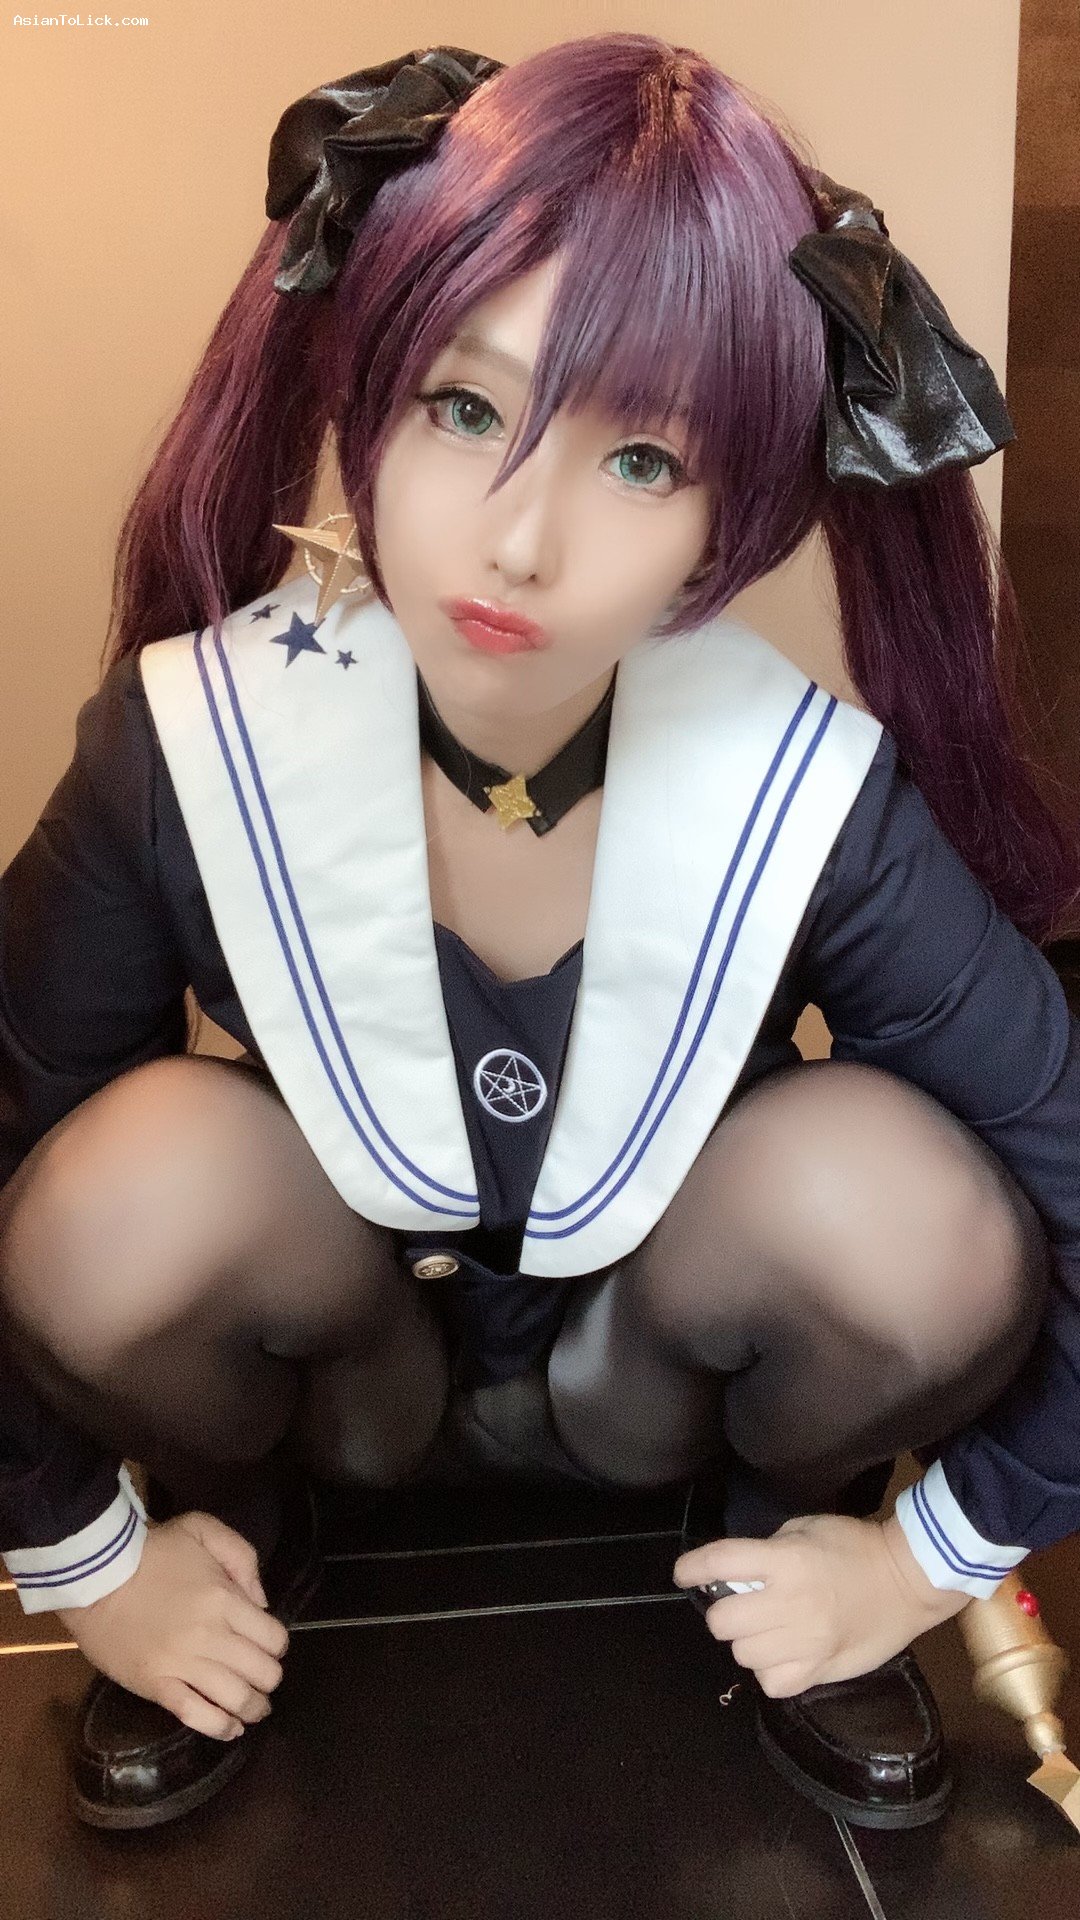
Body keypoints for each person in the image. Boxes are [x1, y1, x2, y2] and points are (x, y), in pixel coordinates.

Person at [1, 34, 1078, 1837]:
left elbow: (1065, 1169)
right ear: (363, 385)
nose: (519, 539)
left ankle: (774, 1555)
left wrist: (919, 1559)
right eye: (462, 407)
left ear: (742, 511)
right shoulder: (190, 740)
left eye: (641, 455)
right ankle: (239, 1553)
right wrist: (83, 1553)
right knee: (119, 1193)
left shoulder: (803, 786)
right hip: (331, 1398)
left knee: (918, 1209)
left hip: (664, 1399)